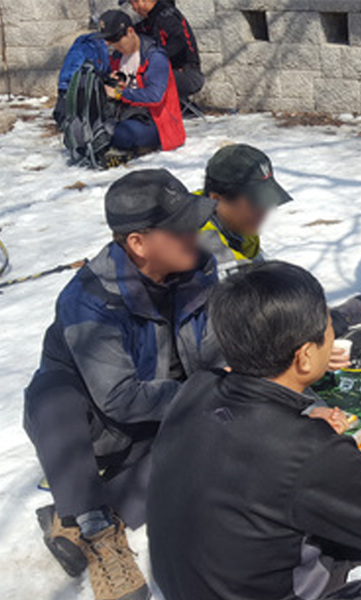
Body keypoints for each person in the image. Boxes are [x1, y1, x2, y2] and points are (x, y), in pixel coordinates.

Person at [147, 261, 361, 600]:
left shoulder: (196, 388)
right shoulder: (309, 450)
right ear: (305, 356)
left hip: (183, 584)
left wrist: (300, 416)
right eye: (328, 329)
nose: (333, 336)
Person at [24, 169, 223, 600]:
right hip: (93, 429)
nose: (197, 233)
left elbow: (213, 350)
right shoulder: (89, 299)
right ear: (138, 242)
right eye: (182, 227)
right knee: (50, 394)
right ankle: (99, 534)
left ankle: (75, 517)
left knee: (207, 446)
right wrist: (201, 392)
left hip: (157, 419)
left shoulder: (200, 273)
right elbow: (119, 397)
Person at [200, 143, 361, 369]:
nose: (265, 211)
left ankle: (327, 324)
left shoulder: (233, 224)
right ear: (217, 198)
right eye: (255, 203)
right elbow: (245, 314)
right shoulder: (198, 244)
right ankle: (331, 326)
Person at [96, 10, 185, 156]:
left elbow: (154, 96)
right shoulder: (118, 55)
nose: (114, 46)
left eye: (116, 40)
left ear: (130, 31)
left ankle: (128, 145)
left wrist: (119, 93)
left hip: (157, 122)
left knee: (121, 133)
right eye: (110, 42)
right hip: (127, 114)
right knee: (91, 127)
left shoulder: (155, 57)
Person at [121, 0, 205, 98]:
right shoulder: (155, 16)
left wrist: (151, 61)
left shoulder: (167, 15)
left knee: (143, 78)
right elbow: (140, 29)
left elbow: (178, 43)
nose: (134, 9)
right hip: (175, 72)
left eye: (133, 3)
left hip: (188, 74)